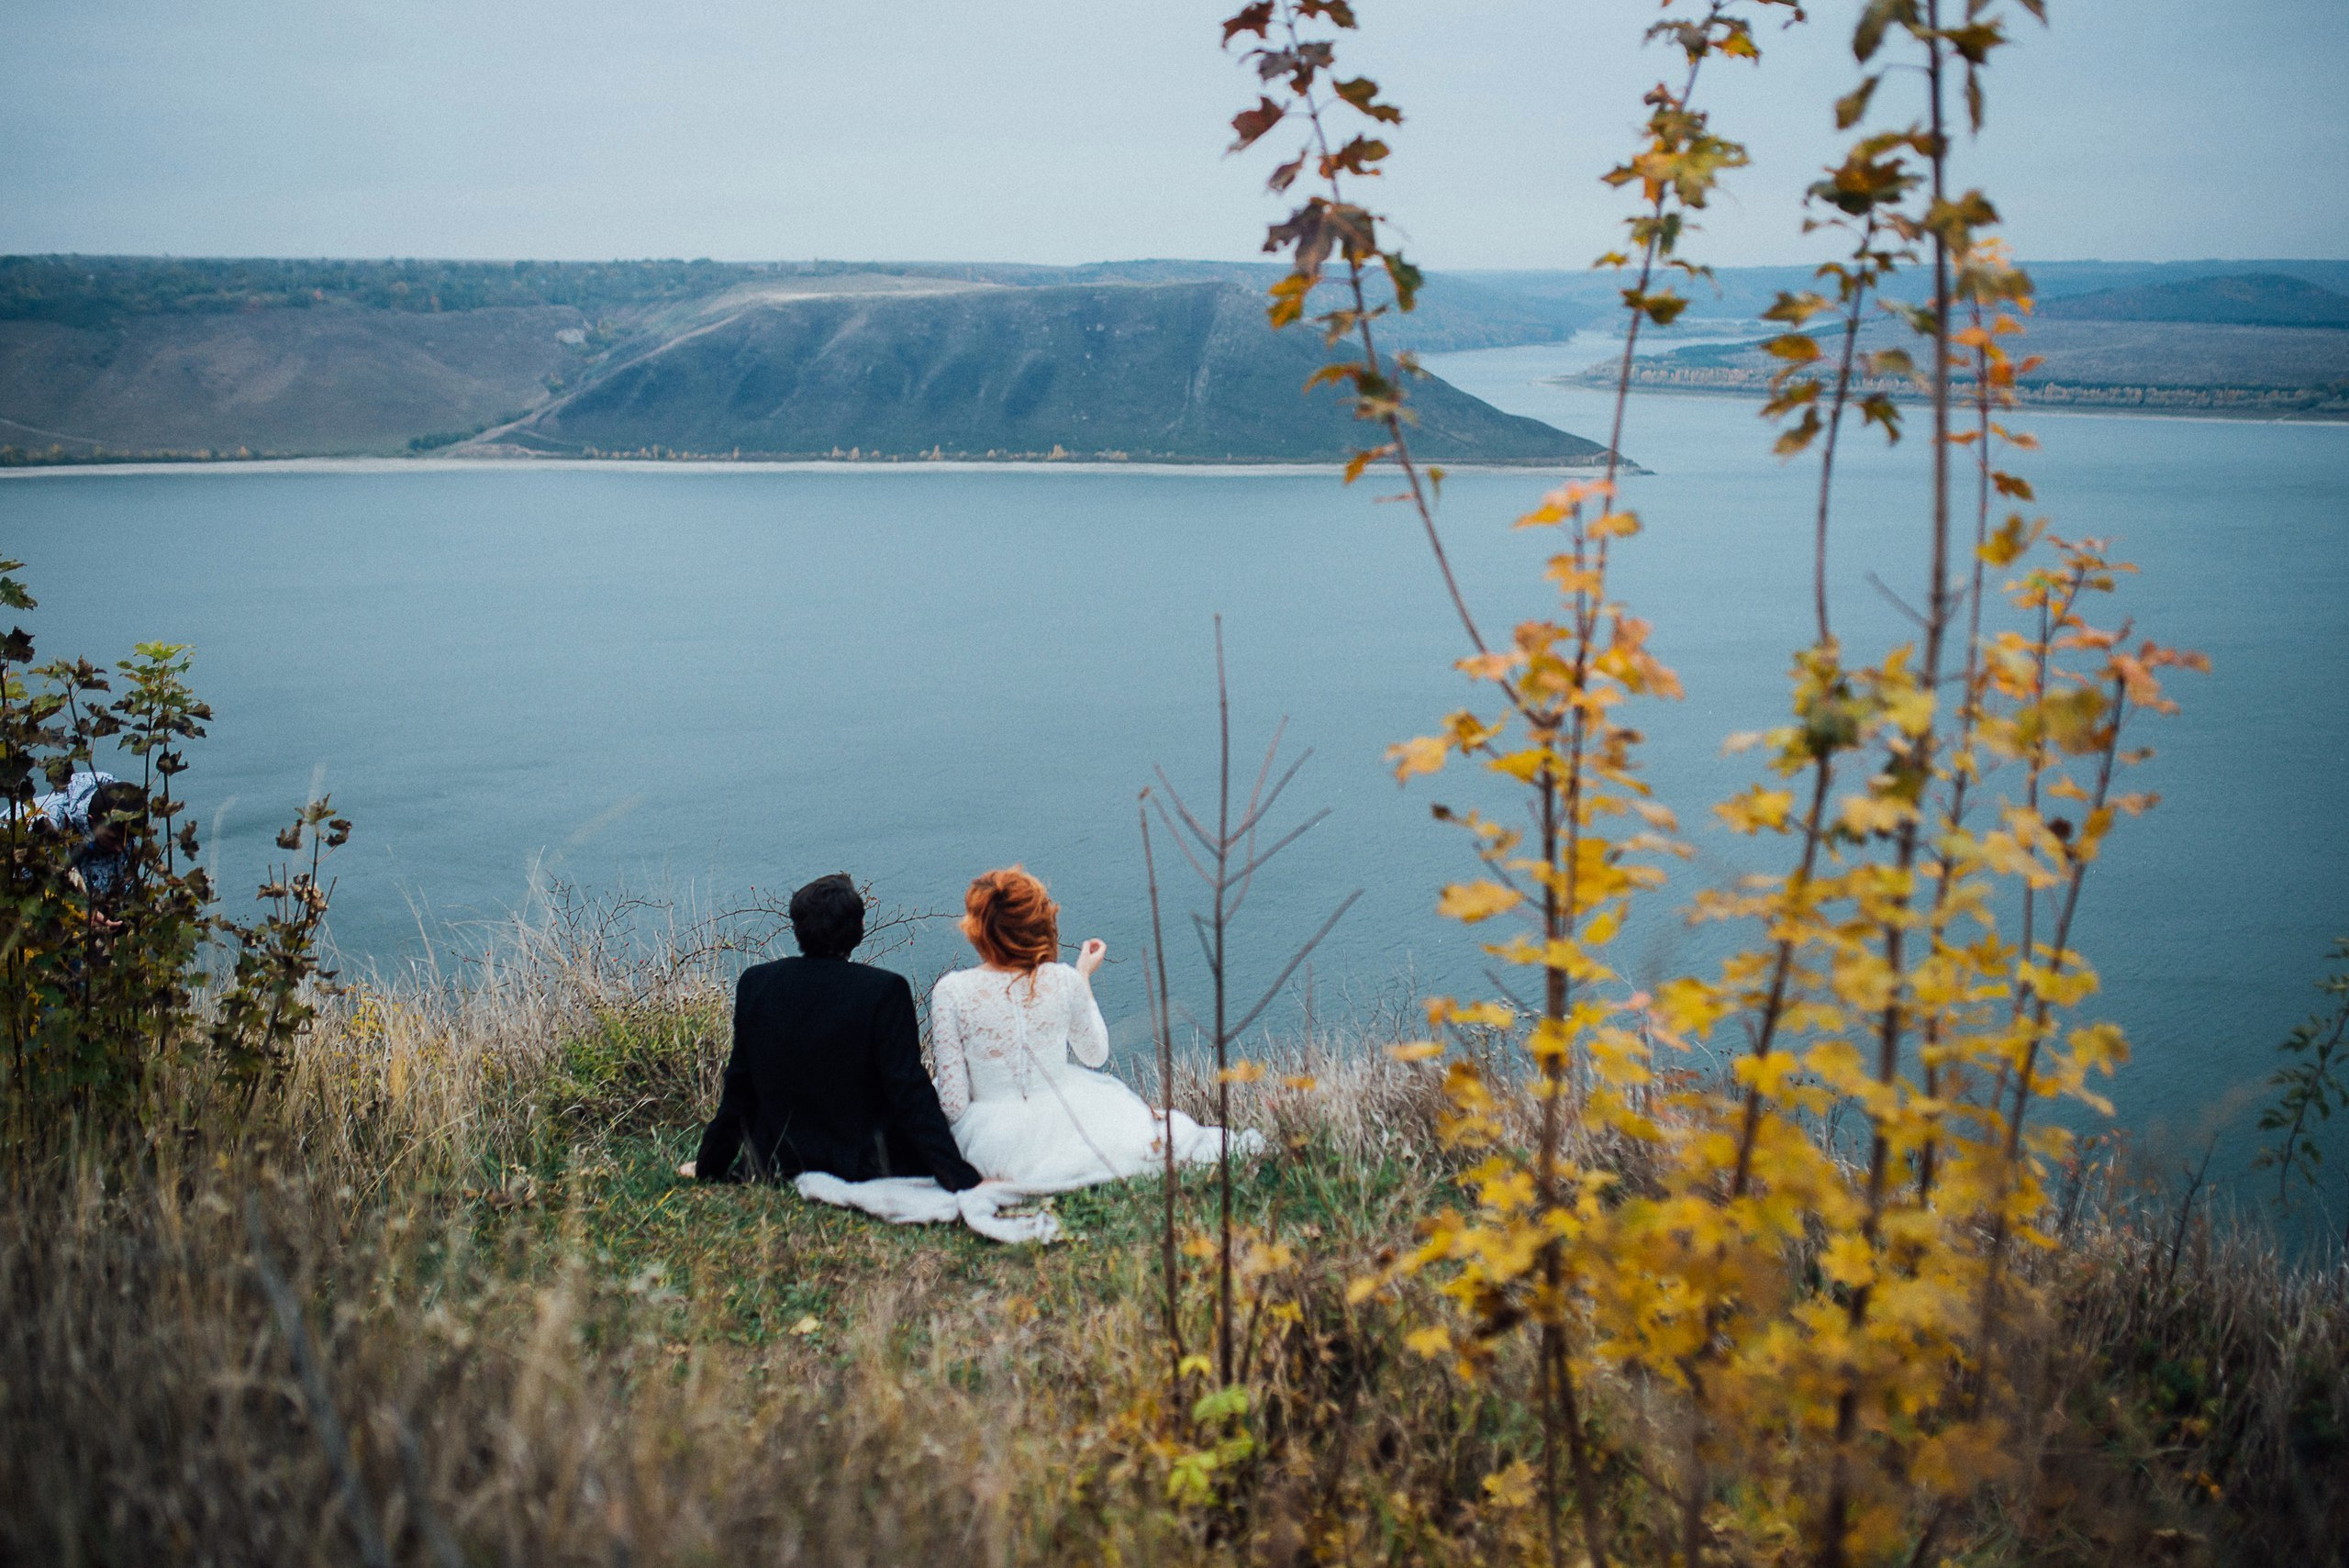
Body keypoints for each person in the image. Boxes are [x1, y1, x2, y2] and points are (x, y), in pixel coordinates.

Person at [930, 865, 1259, 1188]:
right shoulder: (1064, 980)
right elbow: (1094, 1055)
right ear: (1039, 923)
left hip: (991, 1134)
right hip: (1068, 1115)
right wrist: (1083, 976)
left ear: (977, 928)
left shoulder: (953, 991)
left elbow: (955, 1105)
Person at [680, 873, 982, 1192]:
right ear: (859, 930)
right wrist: (957, 1176)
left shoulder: (757, 983)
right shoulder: (884, 990)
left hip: (776, 1162)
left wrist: (709, 1166)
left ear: (797, 928)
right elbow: (909, 1092)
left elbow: (739, 1090)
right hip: (866, 1164)